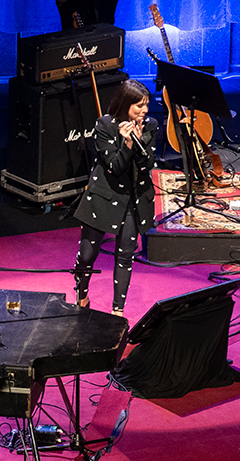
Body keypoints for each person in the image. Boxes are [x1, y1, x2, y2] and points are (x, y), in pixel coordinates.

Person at [72, 79, 158, 317]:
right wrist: (128, 144)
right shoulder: (104, 126)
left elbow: (146, 165)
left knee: (125, 256)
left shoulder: (150, 126)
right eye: (139, 105)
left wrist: (137, 143)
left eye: (146, 105)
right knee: (88, 255)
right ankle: (81, 295)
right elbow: (115, 166)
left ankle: (117, 312)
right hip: (104, 196)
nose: (144, 111)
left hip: (134, 199)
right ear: (125, 103)